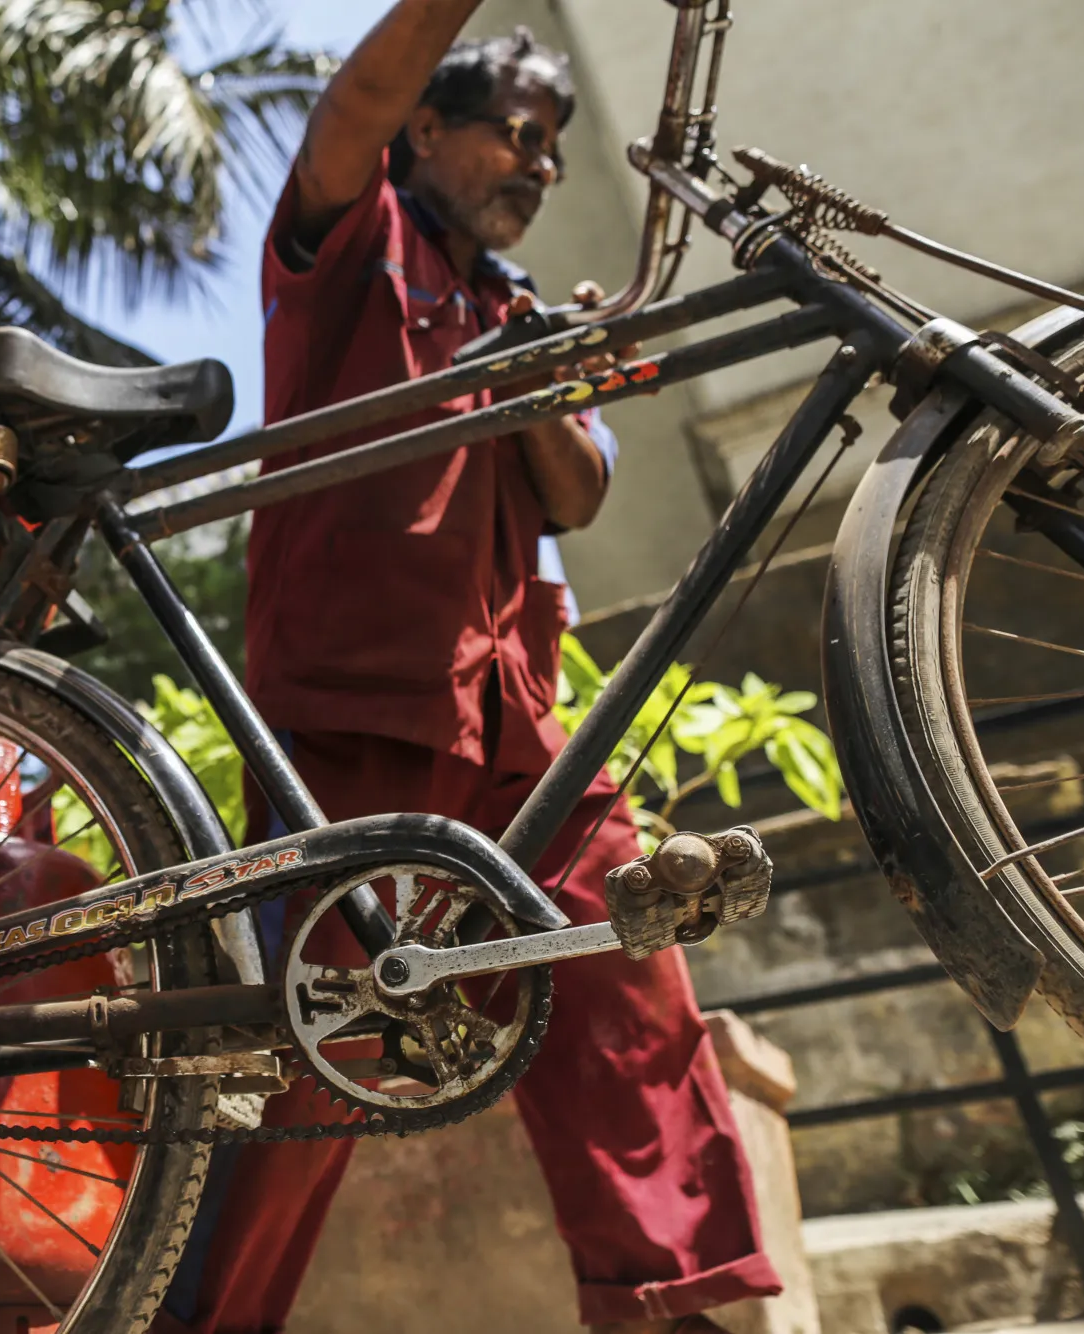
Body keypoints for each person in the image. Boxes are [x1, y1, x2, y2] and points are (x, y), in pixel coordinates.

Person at [151, 6, 783, 1333]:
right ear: (427, 131)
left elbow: (585, 492)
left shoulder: (512, 306)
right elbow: (346, 114)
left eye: (555, 147)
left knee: (630, 954)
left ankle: (671, 1306)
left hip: (515, 723)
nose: (542, 165)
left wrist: (545, 375)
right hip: (352, 718)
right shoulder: (348, 239)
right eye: (518, 131)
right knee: (322, 1055)